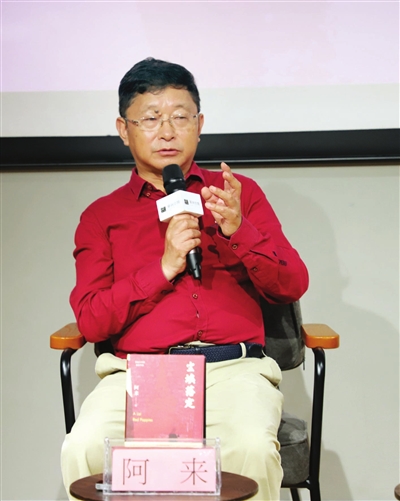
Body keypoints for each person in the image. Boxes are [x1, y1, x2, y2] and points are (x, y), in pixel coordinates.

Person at [61, 57, 309, 501]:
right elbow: (92, 322)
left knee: (250, 448)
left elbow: (291, 285)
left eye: (180, 117)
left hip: (232, 370)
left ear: (199, 125)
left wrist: (239, 231)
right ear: (124, 130)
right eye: (151, 119)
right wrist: (163, 268)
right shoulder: (102, 216)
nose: (167, 132)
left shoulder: (236, 196)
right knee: (84, 447)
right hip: (140, 374)